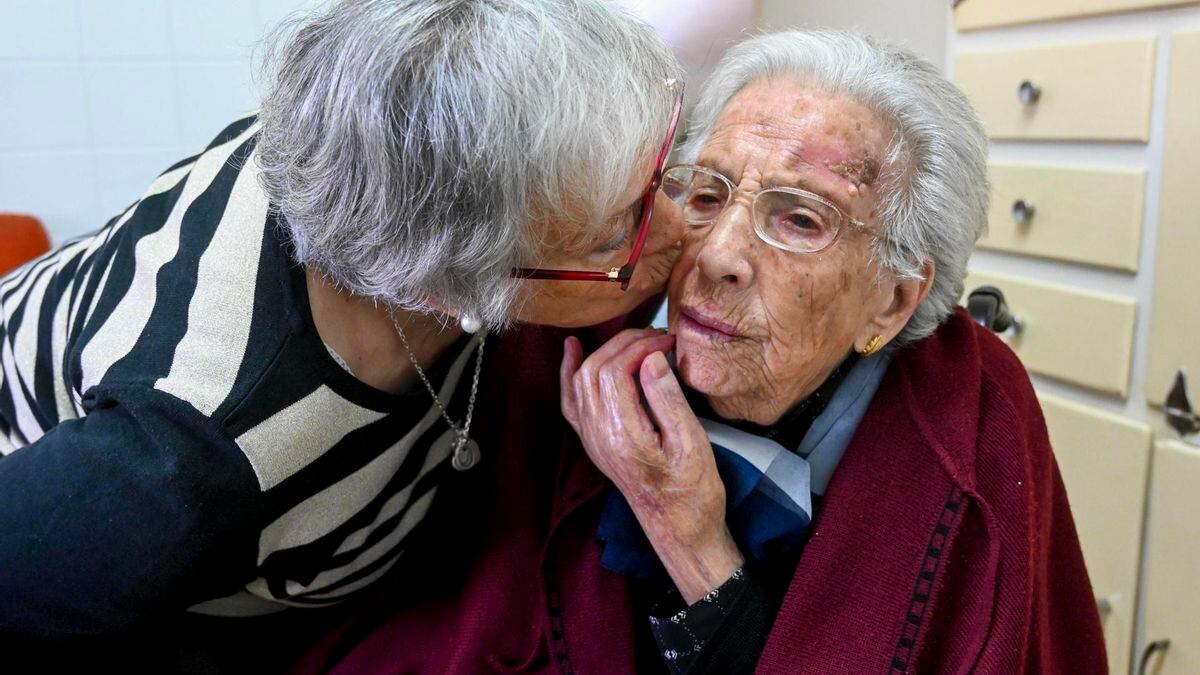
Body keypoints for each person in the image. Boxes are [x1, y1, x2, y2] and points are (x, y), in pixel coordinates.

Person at [301, 30, 1107, 674]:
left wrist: (687, 534)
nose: (715, 253)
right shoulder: (582, 320)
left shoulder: (970, 421)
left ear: (892, 299)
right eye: (708, 193)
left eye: (800, 219)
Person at [0, 0, 683, 658]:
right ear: (443, 289)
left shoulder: (372, 140)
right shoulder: (187, 466)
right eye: (614, 235)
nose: (681, 226)